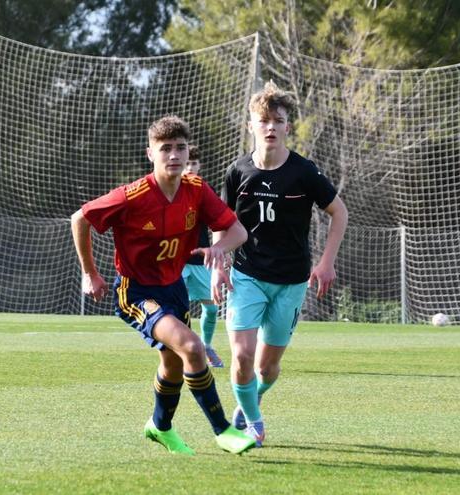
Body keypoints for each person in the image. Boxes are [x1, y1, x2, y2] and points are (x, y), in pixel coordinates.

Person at [71, 115, 256, 456]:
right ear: (150, 154)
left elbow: (239, 233)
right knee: (193, 347)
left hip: (174, 290)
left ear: (189, 153)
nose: (174, 155)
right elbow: (80, 218)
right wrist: (89, 273)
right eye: (166, 148)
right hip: (136, 292)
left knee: (173, 363)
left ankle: (160, 427)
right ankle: (223, 430)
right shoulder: (132, 196)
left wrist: (218, 248)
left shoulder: (196, 190)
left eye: (180, 148)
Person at [214, 81, 348, 447]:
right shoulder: (237, 171)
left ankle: (251, 401)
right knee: (241, 356)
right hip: (247, 276)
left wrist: (326, 263)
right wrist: (218, 264)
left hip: (291, 281)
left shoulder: (304, 172)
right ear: (251, 126)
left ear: (288, 127)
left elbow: (339, 212)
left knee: (266, 368)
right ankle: (253, 423)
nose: (271, 127)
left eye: (279, 120)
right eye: (264, 120)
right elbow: (221, 220)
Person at [180, 144, 224, 368]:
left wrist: (219, 257)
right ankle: (183, 349)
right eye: (186, 163)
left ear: (200, 166)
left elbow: (219, 224)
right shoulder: (170, 189)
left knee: (212, 307)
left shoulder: (206, 192)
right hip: (176, 261)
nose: (189, 167)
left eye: (193, 164)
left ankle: (206, 346)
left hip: (200, 260)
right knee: (178, 307)